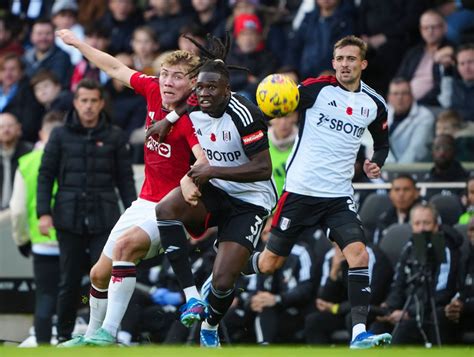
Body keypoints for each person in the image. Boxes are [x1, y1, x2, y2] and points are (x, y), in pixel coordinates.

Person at [55, 29, 205, 346]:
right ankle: (93, 335)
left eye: (177, 77)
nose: (167, 82)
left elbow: (203, 160)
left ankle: (108, 334)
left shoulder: (195, 118)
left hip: (173, 207)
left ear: (192, 83)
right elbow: (114, 67)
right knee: (98, 274)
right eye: (164, 74)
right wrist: (79, 43)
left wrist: (191, 180)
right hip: (143, 202)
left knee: (125, 249)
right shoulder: (152, 91)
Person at [244, 35, 392, 349]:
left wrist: (375, 163)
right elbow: (271, 109)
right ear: (333, 62)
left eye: (351, 59)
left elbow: (382, 143)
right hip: (299, 191)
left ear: (363, 64)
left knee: (358, 254)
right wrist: (262, 111)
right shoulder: (316, 89)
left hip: (337, 196)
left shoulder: (374, 104)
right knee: (270, 263)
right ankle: (227, 269)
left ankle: (359, 333)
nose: (345, 65)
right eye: (340, 59)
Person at [149, 33, 277, 348]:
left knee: (222, 281)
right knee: (164, 210)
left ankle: (210, 324)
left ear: (227, 90)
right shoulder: (194, 103)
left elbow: (263, 168)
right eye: (200, 87)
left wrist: (211, 169)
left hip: (251, 199)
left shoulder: (245, 114)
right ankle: (192, 295)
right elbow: (184, 103)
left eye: (211, 88)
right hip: (216, 189)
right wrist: (167, 121)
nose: (203, 94)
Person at [36, 78, 137, 344]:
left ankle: (107, 334)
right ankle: (64, 336)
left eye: (94, 101)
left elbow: (125, 180)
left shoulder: (114, 136)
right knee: (68, 282)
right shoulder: (59, 135)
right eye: (84, 101)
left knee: (106, 278)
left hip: (105, 219)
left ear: (101, 103)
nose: (89, 106)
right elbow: (45, 175)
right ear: (76, 103)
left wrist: (134, 215)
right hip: (68, 219)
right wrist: (43, 213)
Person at [370, 203, 461, 345]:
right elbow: (398, 283)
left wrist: (409, 313)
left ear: (436, 225)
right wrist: (389, 308)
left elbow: (441, 294)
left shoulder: (443, 247)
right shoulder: (411, 247)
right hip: (404, 311)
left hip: (427, 315)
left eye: (427, 223)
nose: (422, 228)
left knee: (402, 330)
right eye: (417, 223)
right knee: (372, 325)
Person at [9, 112, 63, 346]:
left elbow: (18, 210)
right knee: (75, 297)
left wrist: (22, 240)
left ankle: (42, 347)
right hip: (74, 241)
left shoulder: (27, 162)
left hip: (42, 243)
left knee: (45, 296)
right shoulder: (73, 158)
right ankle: (67, 342)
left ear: (42, 133)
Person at [385, 77, 435, 163]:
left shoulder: (425, 116)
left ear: (411, 96)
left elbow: (416, 149)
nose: (400, 97)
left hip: (414, 170)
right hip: (384, 170)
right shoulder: (380, 114)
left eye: (404, 93)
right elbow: (373, 146)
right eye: (395, 94)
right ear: (389, 97)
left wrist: (397, 172)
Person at [22, 19, 72, 88]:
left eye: (48, 33)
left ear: (54, 36)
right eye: (39, 34)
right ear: (32, 36)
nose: (43, 38)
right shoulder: (25, 56)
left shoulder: (63, 57)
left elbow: (55, 82)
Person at [371, 174, 420, 245]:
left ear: (416, 193)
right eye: (397, 190)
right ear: (390, 194)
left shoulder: (425, 215)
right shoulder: (384, 218)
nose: (401, 194)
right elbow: (378, 246)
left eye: (406, 189)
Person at [0, 112, 33, 210]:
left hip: (23, 209)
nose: (6, 130)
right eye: (1, 127)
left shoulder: (29, 152)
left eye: (10, 126)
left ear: (18, 129)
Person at [438, 43, 474, 122]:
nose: (466, 68)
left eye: (471, 62)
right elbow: (445, 103)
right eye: (462, 64)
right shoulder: (453, 83)